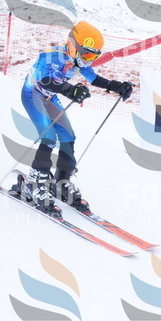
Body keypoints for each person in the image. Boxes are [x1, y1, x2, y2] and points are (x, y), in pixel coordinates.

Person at [17, 21, 133, 218]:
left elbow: (94, 78)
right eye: (87, 55)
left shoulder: (79, 62)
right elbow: (45, 80)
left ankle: (61, 182)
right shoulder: (51, 56)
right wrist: (69, 90)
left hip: (49, 98)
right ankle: (34, 184)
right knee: (48, 137)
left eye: (93, 56)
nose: (88, 60)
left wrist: (116, 86)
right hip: (33, 94)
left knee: (68, 136)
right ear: (73, 46)